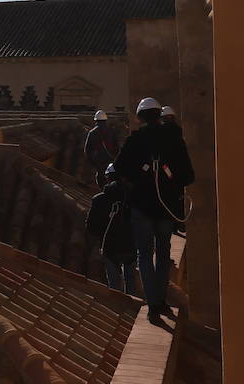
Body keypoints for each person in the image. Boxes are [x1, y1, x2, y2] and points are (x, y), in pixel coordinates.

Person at [114, 97, 195, 321]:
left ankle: (153, 304)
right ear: (159, 115)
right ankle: (161, 300)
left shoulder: (135, 140)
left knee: (144, 255)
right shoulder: (174, 139)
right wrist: (171, 181)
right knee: (163, 251)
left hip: (142, 207)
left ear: (140, 117)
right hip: (166, 208)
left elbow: (119, 168)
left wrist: (138, 179)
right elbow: (189, 176)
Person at [87, 163, 137, 293]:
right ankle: (131, 307)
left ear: (108, 178)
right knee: (130, 281)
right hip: (130, 245)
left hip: (110, 247)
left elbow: (91, 228)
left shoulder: (98, 200)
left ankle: (118, 309)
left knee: (114, 286)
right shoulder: (135, 199)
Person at [83, 110, 119, 186]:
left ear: (95, 120)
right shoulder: (111, 131)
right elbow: (117, 147)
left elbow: (87, 150)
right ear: (106, 120)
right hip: (111, 162)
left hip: (99, 164)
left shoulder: (92, 133)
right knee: (112, 183)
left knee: (101, 183)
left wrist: (93, 163)